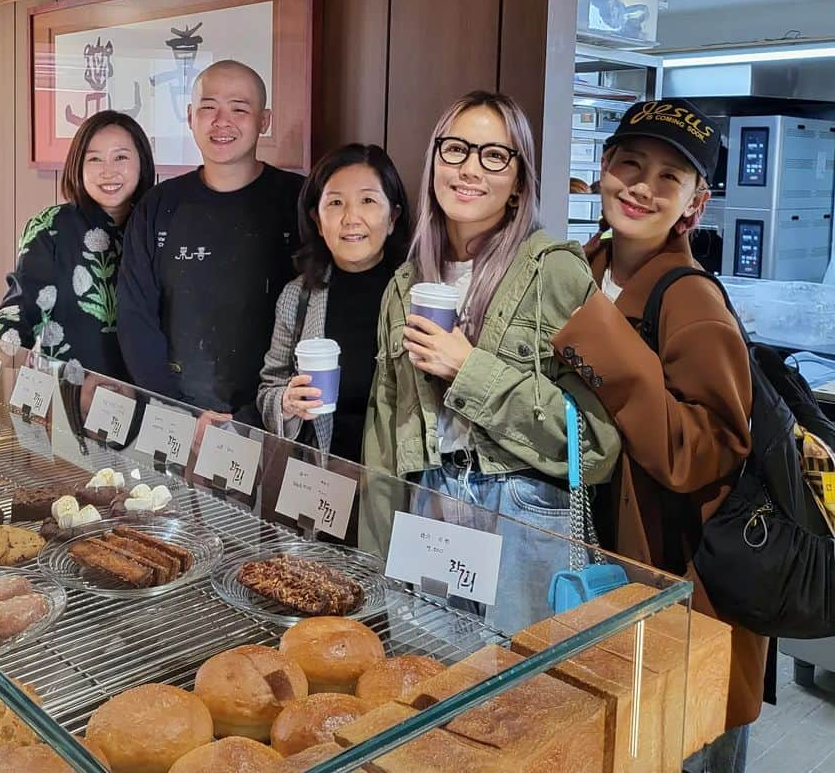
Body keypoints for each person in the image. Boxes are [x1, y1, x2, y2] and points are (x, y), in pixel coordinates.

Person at [551, 99, 764, 773]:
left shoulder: (692, 300)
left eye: (669, 178)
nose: (642, 186)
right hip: (600, 568)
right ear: (604, 167)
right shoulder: (577, 270)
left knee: (680, 748)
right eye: (630, 164)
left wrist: (606, 346)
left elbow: (707, 453)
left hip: (680, 588)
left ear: (694, 204)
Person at [363, 91, 619, 624]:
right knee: (428, 675)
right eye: (455, 149)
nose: (470, 169)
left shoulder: (557, 274)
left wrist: (469, 368)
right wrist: (372, 561)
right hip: (429, 498)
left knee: (518, 692)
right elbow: (386, 435)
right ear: (435, 159)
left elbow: (596, 443)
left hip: (522, 506)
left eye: (494, 155)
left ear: (519, 180)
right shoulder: (405, 285)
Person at [117, 60, 303, 424]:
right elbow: (135, 317)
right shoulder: (159, 206)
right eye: (208, 107)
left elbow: (317, 315)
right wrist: (176, 409)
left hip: (276, 419)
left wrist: (252, 417)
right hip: (174, 415)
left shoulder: (298, 202)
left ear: (264, 121)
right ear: (190, 117)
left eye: (239, 108)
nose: (222, 121)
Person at [258, 144, 411, 462]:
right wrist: (287, 402)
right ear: (316, 218)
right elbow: (270, 386)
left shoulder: (416, 293)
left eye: (368, 201)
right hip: (325, 477)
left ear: (393, 215)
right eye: (336, 203)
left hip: (402, 482)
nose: (351, 218)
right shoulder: (298, 296)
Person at [0, 110, 155, 382]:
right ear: (78, 166)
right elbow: (22, 307)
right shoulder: (51, 228)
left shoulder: (157, 227)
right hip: (72, 395)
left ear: (141, 162)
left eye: (120, 157)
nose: (108, 171)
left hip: (153, 397)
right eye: (94, 159)